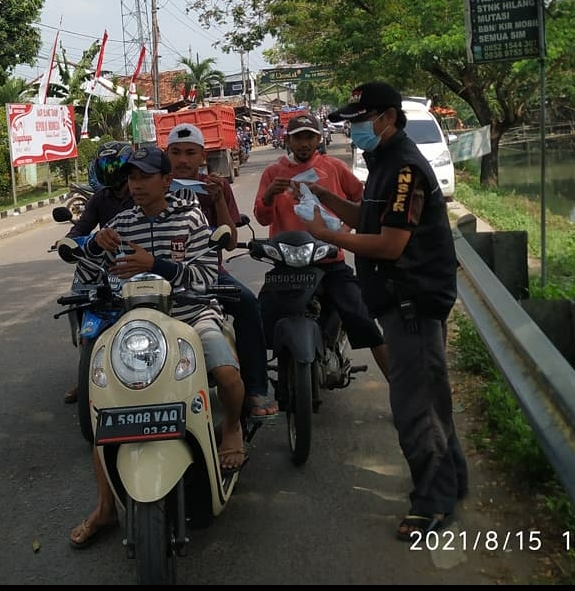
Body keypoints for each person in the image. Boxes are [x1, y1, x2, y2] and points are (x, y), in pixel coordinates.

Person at [296, 82, 467, 543]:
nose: (353, 129)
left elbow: (391, 244)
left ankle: (432, 502)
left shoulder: (406, 168)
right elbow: (370, 219)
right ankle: (454, 480)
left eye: (360, 120)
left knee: (415, 407)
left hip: (411, 300)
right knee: (432, 397)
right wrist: (327, 202)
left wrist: (325, 235)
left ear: (387, 118)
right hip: (400, 299)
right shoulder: (385, 164)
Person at [68, 146, 246, 549]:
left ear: (165, 181)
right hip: (134, 325)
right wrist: (96, 247)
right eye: (131, 178)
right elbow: (88, 275)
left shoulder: (190, 218)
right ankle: (105, 507)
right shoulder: (120, 223)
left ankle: (232, 427)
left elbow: (204, 275)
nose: (136, 185)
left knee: (225, 373)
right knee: (104, 406)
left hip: (189, 315)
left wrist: (155, 263)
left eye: (145, 177)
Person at [253, 114, 389, 378]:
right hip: (286, 264)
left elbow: (362, 203)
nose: (304, 143)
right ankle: (254, 390)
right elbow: (262, 217)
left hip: (329, 260)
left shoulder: (334, 167)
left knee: (361, 316)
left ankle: (399, 389)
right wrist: (270, 194)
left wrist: (342, 232)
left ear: (318, 139)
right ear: (288, 140)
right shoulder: (273, 172)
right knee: (257, 321)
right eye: (298, 137)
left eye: (309, 137)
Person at [166, 122, 276, 417]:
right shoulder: (156, 185)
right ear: (167, 155)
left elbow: (230, 243)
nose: (182, 160)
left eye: (190, 153)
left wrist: (216, 199)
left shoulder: (216, 186)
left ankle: (255, 389)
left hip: (209, 274)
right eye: (176, 153)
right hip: (160, 275)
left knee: (248, 304)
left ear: (203, 156)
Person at [61, 140, 135, 404]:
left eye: (115, 165)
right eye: (106, 166)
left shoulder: (140, 192)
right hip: (105, 264)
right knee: (79, 296)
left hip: (139, 262)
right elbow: (80, 229)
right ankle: (86, 372)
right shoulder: (99, 199)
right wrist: (69, 243)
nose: (111, 171)